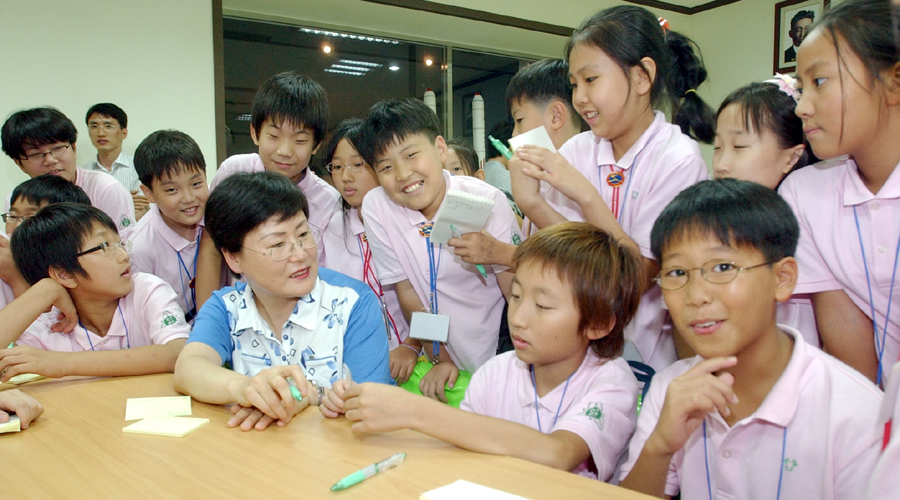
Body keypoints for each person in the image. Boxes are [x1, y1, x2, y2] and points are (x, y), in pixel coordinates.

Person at [619, 179, 882, 500]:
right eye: (677, 273)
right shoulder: (671, 388)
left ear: (782, 279)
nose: (696, 295)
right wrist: (659, 448)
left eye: (723, 267)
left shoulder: (856, 416)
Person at [333, 222, 642, 482]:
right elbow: (462, 452)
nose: (518, 317)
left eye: (543, 306)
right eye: (517, 296)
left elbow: (557, 453)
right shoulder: (497, 372)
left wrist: (412, 411)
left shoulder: (611, 383)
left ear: (599, 323)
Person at [509, 6, 712, 371]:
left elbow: (634, 279)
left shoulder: (677, 158)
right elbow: (565, 261)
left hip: (647, 358)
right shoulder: (577, 150)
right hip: (576, 356)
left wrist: (586, 195)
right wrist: (529, 201)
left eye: (590, 80)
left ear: (642, 77)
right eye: (574, 84)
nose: (580, 98)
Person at [173, 172, 392, 432]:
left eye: (303, 235)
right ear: (233, 258)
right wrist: (244, 387)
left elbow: (377, 403)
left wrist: (310, 395)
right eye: (277, 244)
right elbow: (188, 367)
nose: (300, 254)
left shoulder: (353, 303)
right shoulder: (226, 307)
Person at [356, 98, 522, 402]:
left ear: (440, 147)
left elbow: (515, 292)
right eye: (387, 167)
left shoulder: (485, 200)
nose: (404, 174)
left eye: (411, 155)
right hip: (443, 356)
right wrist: (440, 357)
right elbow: (407, 291)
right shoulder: (378, 207)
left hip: (500, 353)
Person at [779, 0, 900, 384]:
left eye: (820, 82)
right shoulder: (804, 193)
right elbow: (858, 376)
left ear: (894, 81)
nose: (802, 107)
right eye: (800, 88)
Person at [195, 72, 341, 307]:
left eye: (300, 140)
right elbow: (211, 250)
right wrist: (207, 322)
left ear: (317, 145)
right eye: (273, 135)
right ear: (255, 132)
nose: (284, 150)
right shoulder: (234, 171)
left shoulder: (328, 201)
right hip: (233, 314)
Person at [0, 203, 189, 382]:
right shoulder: (49, 325)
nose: (124, 256)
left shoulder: (145, 291)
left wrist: (61, 363)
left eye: (120, 243)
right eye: (105, 246)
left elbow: (177, 353)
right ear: (64, 274)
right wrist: (45, 291)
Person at [712, 75, 819, 348]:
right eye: (717, 147)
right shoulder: (716, 220)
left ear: (790, 157)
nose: (721, 164)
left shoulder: (806, 222)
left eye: (739, 147)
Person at [450, 58, 584, 271]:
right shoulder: (542, 175)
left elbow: (583, 258)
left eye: (519, 120)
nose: (514, 134)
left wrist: (499, 252)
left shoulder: (582, 175)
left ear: (556, 116)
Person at [320, 119, 417, 384]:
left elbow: (432, 296)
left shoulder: (410, 220)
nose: (345, 176)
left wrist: (413, 345)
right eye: (337, 167)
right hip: (358, 362)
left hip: (416, 356)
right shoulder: (332, 228)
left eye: (357, 164)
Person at [1, 107, 136, 235]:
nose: (50, 160)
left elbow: (125, 247)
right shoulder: (17, 201)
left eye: (57, 148)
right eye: (35, 154)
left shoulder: (105, 188)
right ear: (19, 163)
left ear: (73, 149)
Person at [128, 130, 209, 322]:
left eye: (196, 183)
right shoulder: (139, 248)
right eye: (172, 190)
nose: (189, 198)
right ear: (149, 194)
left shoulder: (218, 219)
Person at [0, 175, 92, 308]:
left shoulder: (78, 269)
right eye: (12, 216)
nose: (17, 227)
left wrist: (16, 278)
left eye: (30, 218)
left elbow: (43, 325)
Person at [81, 103, 149, 220]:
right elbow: (81, 216)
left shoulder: (141, 166)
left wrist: (97, 208)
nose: (100, 133)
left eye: (108, 126)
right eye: (94, 126)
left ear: (124, 133)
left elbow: (143, 211)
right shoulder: (82, 173)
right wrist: (124, 202)